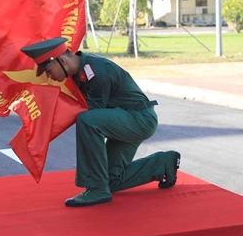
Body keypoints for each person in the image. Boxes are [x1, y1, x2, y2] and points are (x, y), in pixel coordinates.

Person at [21, 37, 181, 207]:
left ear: (62, 60)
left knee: (87, 120)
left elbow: (94, 116)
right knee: (111, 180)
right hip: (124, 120)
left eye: (47, 69)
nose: (48, 76)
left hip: (139, 119)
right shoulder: (81, 72)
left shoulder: (97, 71)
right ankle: (163, 163)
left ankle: (96, 188)